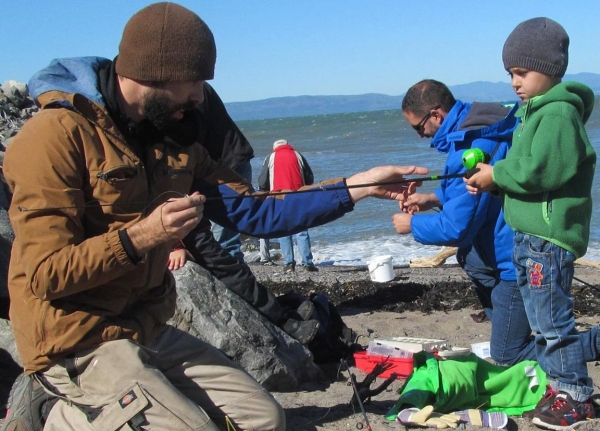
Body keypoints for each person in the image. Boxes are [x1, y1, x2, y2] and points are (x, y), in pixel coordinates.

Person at [2, 2, 428, 429]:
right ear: (154, 71)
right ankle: (56, 415)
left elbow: (257, 209)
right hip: (76, 341)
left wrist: (360, 185)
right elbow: (44, 273)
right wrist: (143, 236)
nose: (200, 97)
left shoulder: (172, 137)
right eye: (194, 82)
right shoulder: (53, 137)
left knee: (265, 419)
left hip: (144, 327)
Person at [466, 17, 597, 429]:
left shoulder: (557, 113)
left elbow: (543, 170)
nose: (514, 82)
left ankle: (576, 396)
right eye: (510, 74)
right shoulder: (531, 113)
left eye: (522, 72)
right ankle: (561, 387)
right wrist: (493, 183)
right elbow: (528, 175)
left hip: (547, 239)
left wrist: (497, 174)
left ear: (550, 69)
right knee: (542, 323)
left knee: (554, 322)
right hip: (529, 237)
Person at [196, 82, 254, 264]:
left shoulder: (193, 89)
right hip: (223, 163)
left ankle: (234, 288)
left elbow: (190, 135)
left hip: (228, 165)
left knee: (224, 238)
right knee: (216, 236)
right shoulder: (192, 87)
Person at [258, 139, 319, 273]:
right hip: (298, 194)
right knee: (301, 230)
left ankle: (289, 263)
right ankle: (307, 262)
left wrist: (265, 190)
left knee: (284, 229)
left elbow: (262, 180)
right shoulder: (298, 155)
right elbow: (309, 176)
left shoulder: (271, 157)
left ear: (275, 148)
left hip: (279, 195)